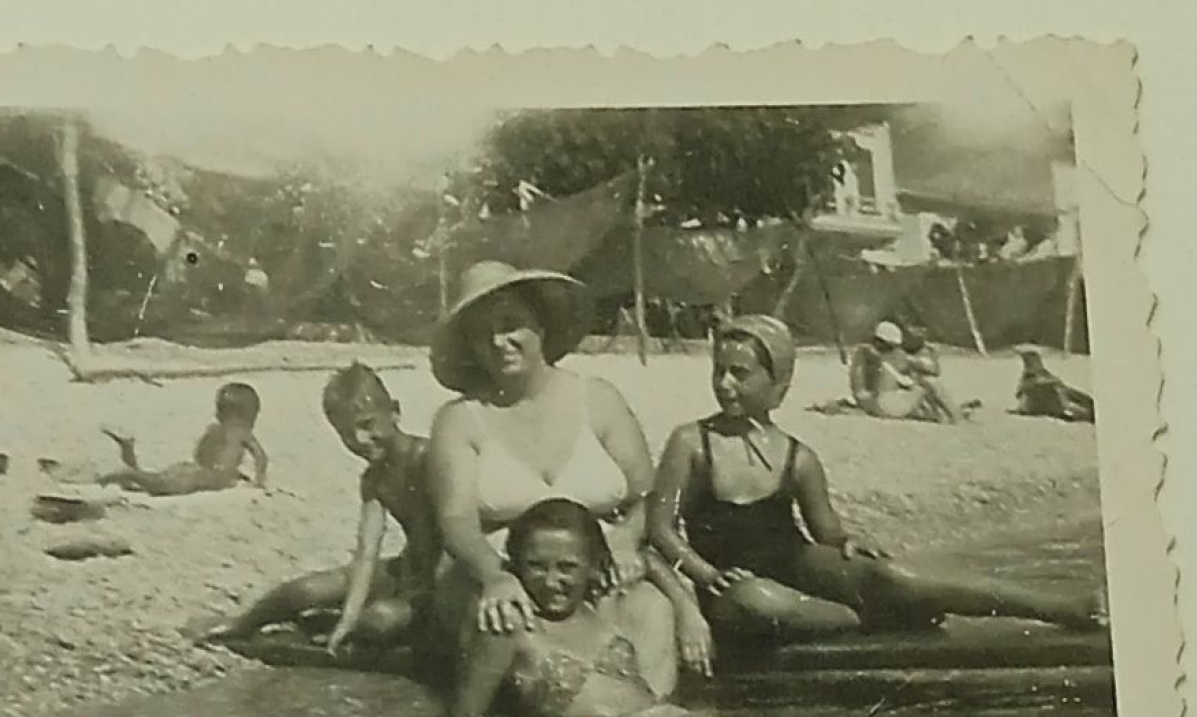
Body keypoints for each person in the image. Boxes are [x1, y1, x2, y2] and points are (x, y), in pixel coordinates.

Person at [648, 314, 1108, 643]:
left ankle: (1060, 607)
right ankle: (871, 621)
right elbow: (661, 528)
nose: (725, 384)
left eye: (739, 374)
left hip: (798, 566)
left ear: (777, 383)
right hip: (733, 588)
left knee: (893, 574)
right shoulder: (691, 443)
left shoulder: (797, 457)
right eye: (719, 372)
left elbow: (824, 530)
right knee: (757, 601)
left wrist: (848, 543)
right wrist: (706, 575)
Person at [425, 260, 712, 678]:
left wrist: (626, 541)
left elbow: (648, 495)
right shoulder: (460, 418)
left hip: (595, 566)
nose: (499, 341)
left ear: (540, 326)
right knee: (514, 625)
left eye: (511, 325)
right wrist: (495, 576)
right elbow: (456, 520)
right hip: (496, 570)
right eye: (482, 334)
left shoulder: (597, 399)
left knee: (653, 610)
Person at [193, 364, 440, 651]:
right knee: (305, 591)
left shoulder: (431, 458)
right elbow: (366, 553)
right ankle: (242, 624)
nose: (360, 440)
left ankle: (333, 623)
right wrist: (348, 619)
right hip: (408, 569)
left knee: (379, 621)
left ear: (395, 412)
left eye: (367, 424)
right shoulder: (375, 478)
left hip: (447, 578)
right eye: (347, 435)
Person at [451, 498, 716, 717]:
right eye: (536, 566)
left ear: (592, 565)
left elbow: (647, 561)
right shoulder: (509, 623)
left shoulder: (600, 606)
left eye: (567, 567)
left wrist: (686, 610)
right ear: (516, 563)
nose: (551, 582)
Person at [43, 381, 269, 496]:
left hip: (191, 468)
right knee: (156, 485)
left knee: (151, 480)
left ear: (219, 412)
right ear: (250, 415)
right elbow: (260, 456)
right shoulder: (243, 433)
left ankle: (128, 453)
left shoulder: (213, 429)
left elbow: (202, 452)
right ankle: (125, 470)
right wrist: (259, 480)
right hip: (208, 477)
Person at [849, 320, 966, 424]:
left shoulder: (865, 355)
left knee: (921, 385)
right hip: (884, 405)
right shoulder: (871, 355)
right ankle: (957, 416)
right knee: (929, 383)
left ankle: (943, 413)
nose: (894, 349)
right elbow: (932, 369)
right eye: (892, 346)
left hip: (881, 404)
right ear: (882, 342)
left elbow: (859, 390)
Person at [1014, 346, 1095, 423]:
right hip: (1051, 403)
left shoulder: (1032, 378)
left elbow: (1019, 394)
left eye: (1028, 360)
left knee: (1068, 394)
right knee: (1067, 394)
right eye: (1027, 360)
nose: (1026, 362)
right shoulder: (1034, 378)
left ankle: (1090, 408)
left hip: (1048, 403)